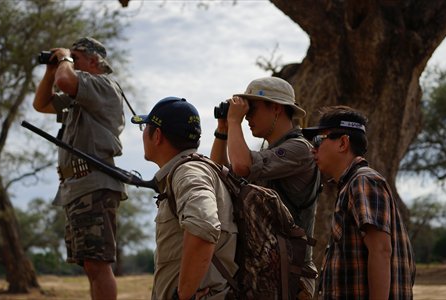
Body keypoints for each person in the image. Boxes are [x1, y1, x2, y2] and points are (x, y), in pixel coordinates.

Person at [33, 37, 127, 300]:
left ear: (94, 61)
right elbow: (41, 103)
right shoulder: (80, 96)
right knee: (90, 265)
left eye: (77, 57)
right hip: (77, 187)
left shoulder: (103, 86)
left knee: (98, 264)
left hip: (94, 184)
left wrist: (63, 58)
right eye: (70, 58)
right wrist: (52, 69)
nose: (71, 62)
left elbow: (66, 81)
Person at [210, 77, 320, 299]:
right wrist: (223, 129)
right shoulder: (269, 152)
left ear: (277, 108)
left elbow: (241, 166)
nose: (247, 117)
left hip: (291, 272)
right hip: (266, 269)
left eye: (252, 110)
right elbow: (218, 172)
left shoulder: (299, 148)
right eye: (245, 112)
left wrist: (234, 122)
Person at [302, 105, 416, 299]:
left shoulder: (362, 181)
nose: (313, 149)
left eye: (319, 139)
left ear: (343, 143)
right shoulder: (352, 184)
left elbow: (380, 250)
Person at [131, 97, 238, 300]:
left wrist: (183, 296)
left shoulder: (188, 173)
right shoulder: (192, 171)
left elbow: (204, 225)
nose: (143, 134)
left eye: (145, 127)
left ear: (158, 136)